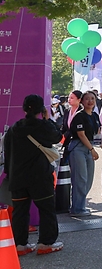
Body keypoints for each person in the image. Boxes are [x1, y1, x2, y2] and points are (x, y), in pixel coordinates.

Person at [5, 94, 63, 256]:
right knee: (46, 209)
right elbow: (57, 137)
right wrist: (47, 119)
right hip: (39, 177)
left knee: (20, 211)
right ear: (41, 109)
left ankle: (20, 244)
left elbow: (8, 153)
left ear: (24, 109)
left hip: (18, 178)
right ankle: (46, 242)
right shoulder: (42, 126)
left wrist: (9, 174)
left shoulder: (14, 128)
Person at [68, 91, 101, 216]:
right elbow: (81, 135)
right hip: (78, 148)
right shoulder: (79, 116)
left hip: (89, 147)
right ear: (82, 101)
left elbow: (97, 134)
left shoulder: (95, 116)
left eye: (93, 98)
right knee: (80, 179)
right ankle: (77, 208)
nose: (90, 101)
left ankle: (80, 205)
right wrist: (92, 150)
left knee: (89, 179)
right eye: (87, 99)